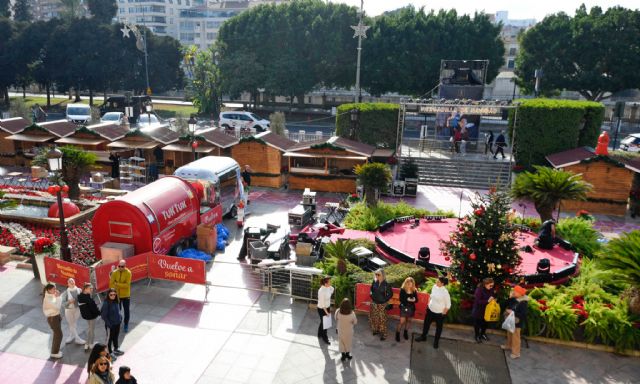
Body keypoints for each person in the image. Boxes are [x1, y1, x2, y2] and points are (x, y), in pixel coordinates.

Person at [415, 277, 451, 349]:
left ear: (442, 284)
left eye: (438, 281)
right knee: (426, 324)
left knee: (439, 328)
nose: (436, 282)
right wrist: (428, 305)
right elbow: (431, 296)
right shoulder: (434, 287)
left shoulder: (445, 292)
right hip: (430, 310)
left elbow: (448, 305)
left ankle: (436, 342)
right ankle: (423, 337)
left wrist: (443, 314)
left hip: (439, 314)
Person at [502, 285, 529, 359]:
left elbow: (523, 314)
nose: (513, 293)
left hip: (517, 322)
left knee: (516, 337)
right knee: (509, 334)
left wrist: (512, 312)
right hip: (511, 320)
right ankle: (509, 345)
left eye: (515, 292)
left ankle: (516, 353)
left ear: (520, 293)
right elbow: (505, 304)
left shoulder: (523, 303)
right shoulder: (514, 299)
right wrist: (510, 298)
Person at [369, 268, 393, 341]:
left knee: (382, 319)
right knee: (374, 318)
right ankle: (376, 330)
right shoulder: (374, 282)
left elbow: (390, 294)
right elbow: (371, 290)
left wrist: (384, 299)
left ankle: (383, 334)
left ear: (383, 275)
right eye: (376, 274)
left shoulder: (386, 284)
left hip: (382, 305)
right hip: (374, 303)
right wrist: (372, 296)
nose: (376, 276)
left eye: (378, 274)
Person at [109, 259, 131, 333]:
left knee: (126, 311)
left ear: (125, 266)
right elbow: (111, 284)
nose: (120, 268)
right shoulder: (115, 272)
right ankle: (118, 322)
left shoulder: (128, 273)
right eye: (119, 266)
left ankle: (126, 324)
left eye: (122, 266)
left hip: (126, 295)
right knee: (117, 311)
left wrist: (117, 284)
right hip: (117, 295)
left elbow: (127, 285)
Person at [42, 283, 64, 359]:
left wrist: (57, 297)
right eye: (53, 289)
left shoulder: (51, 296)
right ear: (49, 290)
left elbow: (56, 307)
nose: (55, 290)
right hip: (53, 318)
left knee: (56, 334)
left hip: (56, 317)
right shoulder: (47, 299)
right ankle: (54, 352)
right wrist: (58, 297)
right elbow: (57, 307)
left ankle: (55, 351)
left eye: (55, 288)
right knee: (59, 335)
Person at [62, 278, 85, 345]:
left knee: (74, 323)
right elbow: (63, 304)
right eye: (70, 281)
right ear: (68, 284)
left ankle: (71, 336)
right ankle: (77, 339)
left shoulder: (79, 290)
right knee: (71, 324)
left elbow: (83, 298)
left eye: (72, 281)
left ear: (75, 282)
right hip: (69, 310)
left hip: (77, 309)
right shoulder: (65, 293)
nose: (71, 282)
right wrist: (69, 301)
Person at [101, 288, 124, 356]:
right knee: (109, 339)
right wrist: (109, 324)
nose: (113, 296)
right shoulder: (106, 303)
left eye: (114, 294)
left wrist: (120, 318)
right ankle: (109, 352)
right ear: (108, 295)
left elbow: (118, 311)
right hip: (110, 325)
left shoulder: (116, 301)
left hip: (117, 323)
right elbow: (103, 316)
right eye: (111, 295)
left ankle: (116, 349)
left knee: (116, 337)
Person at [78, 282, 101, 351]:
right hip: (91, 316)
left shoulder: (80, 296)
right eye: (90, 288)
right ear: (85, 289)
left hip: (86, 316)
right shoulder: (88, 298)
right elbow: (93, 308)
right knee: (92, 330)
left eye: (92, 288)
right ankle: (91, 344)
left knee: (90, 329)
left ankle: (87, 344)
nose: (91, 290)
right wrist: (99, 312)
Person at [472, 278, 495, 343]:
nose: (491, 287)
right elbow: (478, 301)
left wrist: (493, 300)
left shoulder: (491, 290)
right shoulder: (479, 290)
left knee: (485, 323)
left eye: (492, 286)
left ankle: (482, 334)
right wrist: (487, 301)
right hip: (478, 310)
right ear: (485, 284)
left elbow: (492, 296)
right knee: (477, 324)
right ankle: (477, 336)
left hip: (487, 310)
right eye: (490, 285)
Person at [396, 277, 417, 342]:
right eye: (408, 282)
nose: (409, 284)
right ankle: (397, 333)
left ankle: (405, 332)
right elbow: (401, 299)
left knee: (409, 321)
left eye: (411, 283)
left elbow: (416, 300)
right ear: (405, 283)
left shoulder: (414, 290)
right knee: (402, 322)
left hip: (411, 308)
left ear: (413, 284)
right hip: (404, 307)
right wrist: (407, 299)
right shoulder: (402, 290)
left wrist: (414, 299)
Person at [316, 277, 334, 345]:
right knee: (325, 324)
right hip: (322, 309)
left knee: (323, 322)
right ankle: (325, 337)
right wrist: (327, 313)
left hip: (327, 307)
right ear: (325, 283)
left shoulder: (328, 287)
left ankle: (319, 334)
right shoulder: (321, 291)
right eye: (329, 282)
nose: (330, 283)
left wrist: (329, 286)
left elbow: (332, 289)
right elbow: (323, 304)